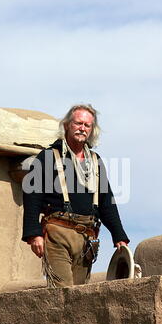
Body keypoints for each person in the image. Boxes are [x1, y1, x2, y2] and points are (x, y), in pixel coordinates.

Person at [22, 104, 130, 287]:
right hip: (58, 231)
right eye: (78, 123)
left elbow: (106, 201)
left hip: (87, 236)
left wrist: (119, 236)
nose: (82, 128)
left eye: (87, 125)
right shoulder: (48, 156)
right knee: (62, 291)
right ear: (67, 125)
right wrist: (34, 234)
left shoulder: (95, 161)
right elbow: (32, 195)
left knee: (78, 294)